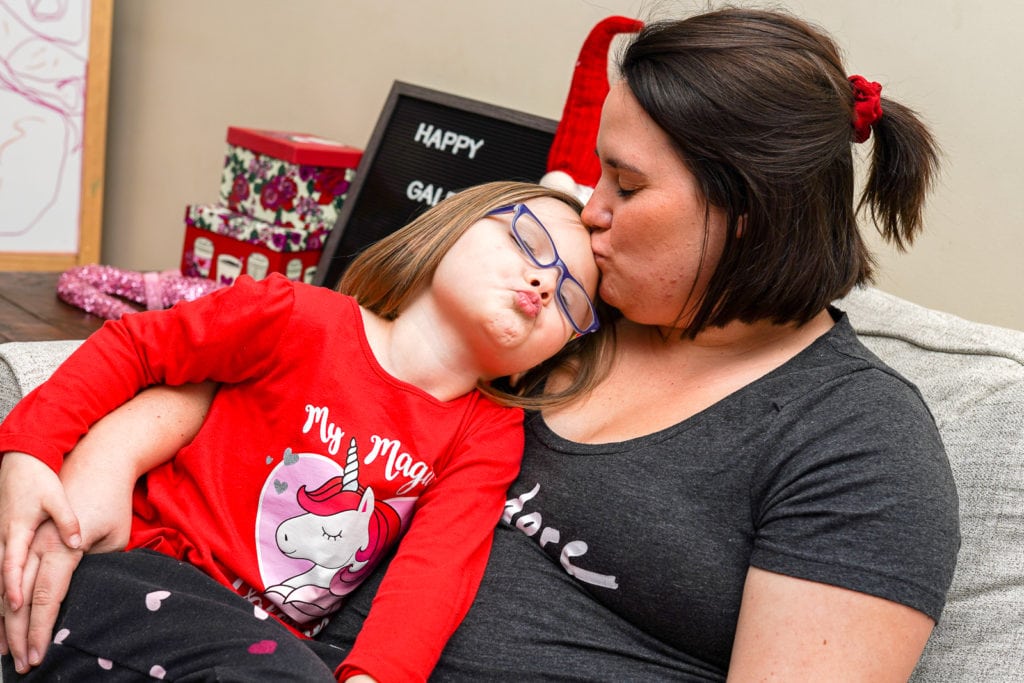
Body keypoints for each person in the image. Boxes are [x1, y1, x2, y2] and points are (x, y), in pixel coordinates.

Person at [3, 6, 962, 680]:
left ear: (741, 215)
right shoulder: (571, 305)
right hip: (199, 617)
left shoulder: (858, 443)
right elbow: (307, 382)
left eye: (625, 188)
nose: (589, 215)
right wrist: (107, 451)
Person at [0, 180, 607, 681]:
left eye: (571, 298)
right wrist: (29, 451)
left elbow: (437, 568)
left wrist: (376, 676)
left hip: (265, 637)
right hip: (142, 568)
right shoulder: (295, 316)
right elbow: (135, 350)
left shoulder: (489, 432)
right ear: (450, 227)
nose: (543, 282)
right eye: (529, 242)